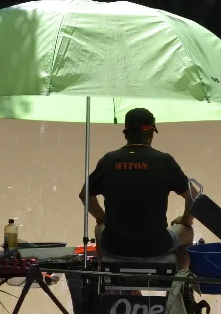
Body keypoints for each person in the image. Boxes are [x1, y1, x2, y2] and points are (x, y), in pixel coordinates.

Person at [78, 107, 196, 270]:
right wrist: (184, 220)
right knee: (187, 231)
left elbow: (85, 195)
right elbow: (193, 197)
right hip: (156, 247)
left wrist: (103, 218)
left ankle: (105, 279)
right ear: (152, 132)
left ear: (125, 132)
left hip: (114, 247)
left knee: (100, 228)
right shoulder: (163, 161)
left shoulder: (109, 160)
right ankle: (178, 287)